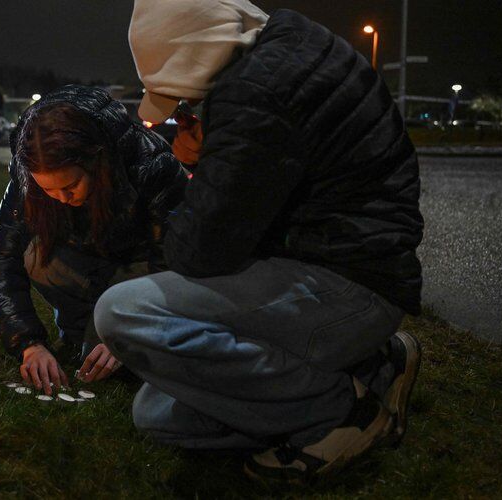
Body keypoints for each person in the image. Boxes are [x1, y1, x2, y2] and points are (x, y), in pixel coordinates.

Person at [93, 0, 424, 482]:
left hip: (347, 284)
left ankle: (338, 414)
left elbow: (198, 252)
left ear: (193, 55)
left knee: (123, 312)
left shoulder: (254, 94)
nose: (183, 111)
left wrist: (197, 163)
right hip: (350, 270)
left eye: (180, 97)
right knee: (157, 415)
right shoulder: (285, 42)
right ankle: (374, 365)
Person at [0, 85, 188, 395]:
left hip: (136, 269)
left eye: (71, 185)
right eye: (49, 191)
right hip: (83, 264)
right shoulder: (28, 176)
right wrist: (28, 343)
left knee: (124, 358)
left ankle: (108, 333)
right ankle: (82, 333)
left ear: (96, 163)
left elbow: (172, 263)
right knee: (36, 257)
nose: (62, 199)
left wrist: (127, 335)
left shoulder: (150, 164)